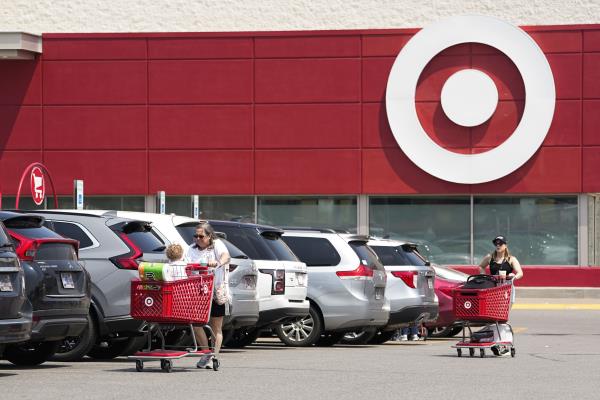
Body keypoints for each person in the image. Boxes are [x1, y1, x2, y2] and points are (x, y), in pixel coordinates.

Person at [184, 222, 231, 369]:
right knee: (197, 324)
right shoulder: (191, 249)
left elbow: (226, 256)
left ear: (209, 236)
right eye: (195, 236)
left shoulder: (216, 245)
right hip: (197, 291)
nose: (198, 239)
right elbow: (184, 263)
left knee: (216, 326)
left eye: (201, 236)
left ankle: (214, 356)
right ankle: (206, 353)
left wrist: (217, 263)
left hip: (215, 290)